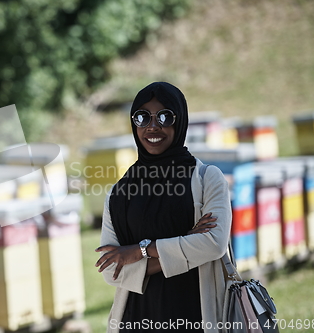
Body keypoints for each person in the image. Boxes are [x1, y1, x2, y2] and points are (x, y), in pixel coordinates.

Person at [95, 82, 232, 333]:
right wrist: (187, 242)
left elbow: (213, 244)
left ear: (179, 121)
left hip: (195, 318)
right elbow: (111, 271)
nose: (152, 126)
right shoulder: (118, 193)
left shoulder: (206, 178)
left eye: (165, 116)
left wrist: (140, 251)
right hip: (135, 320)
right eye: (142, 117)